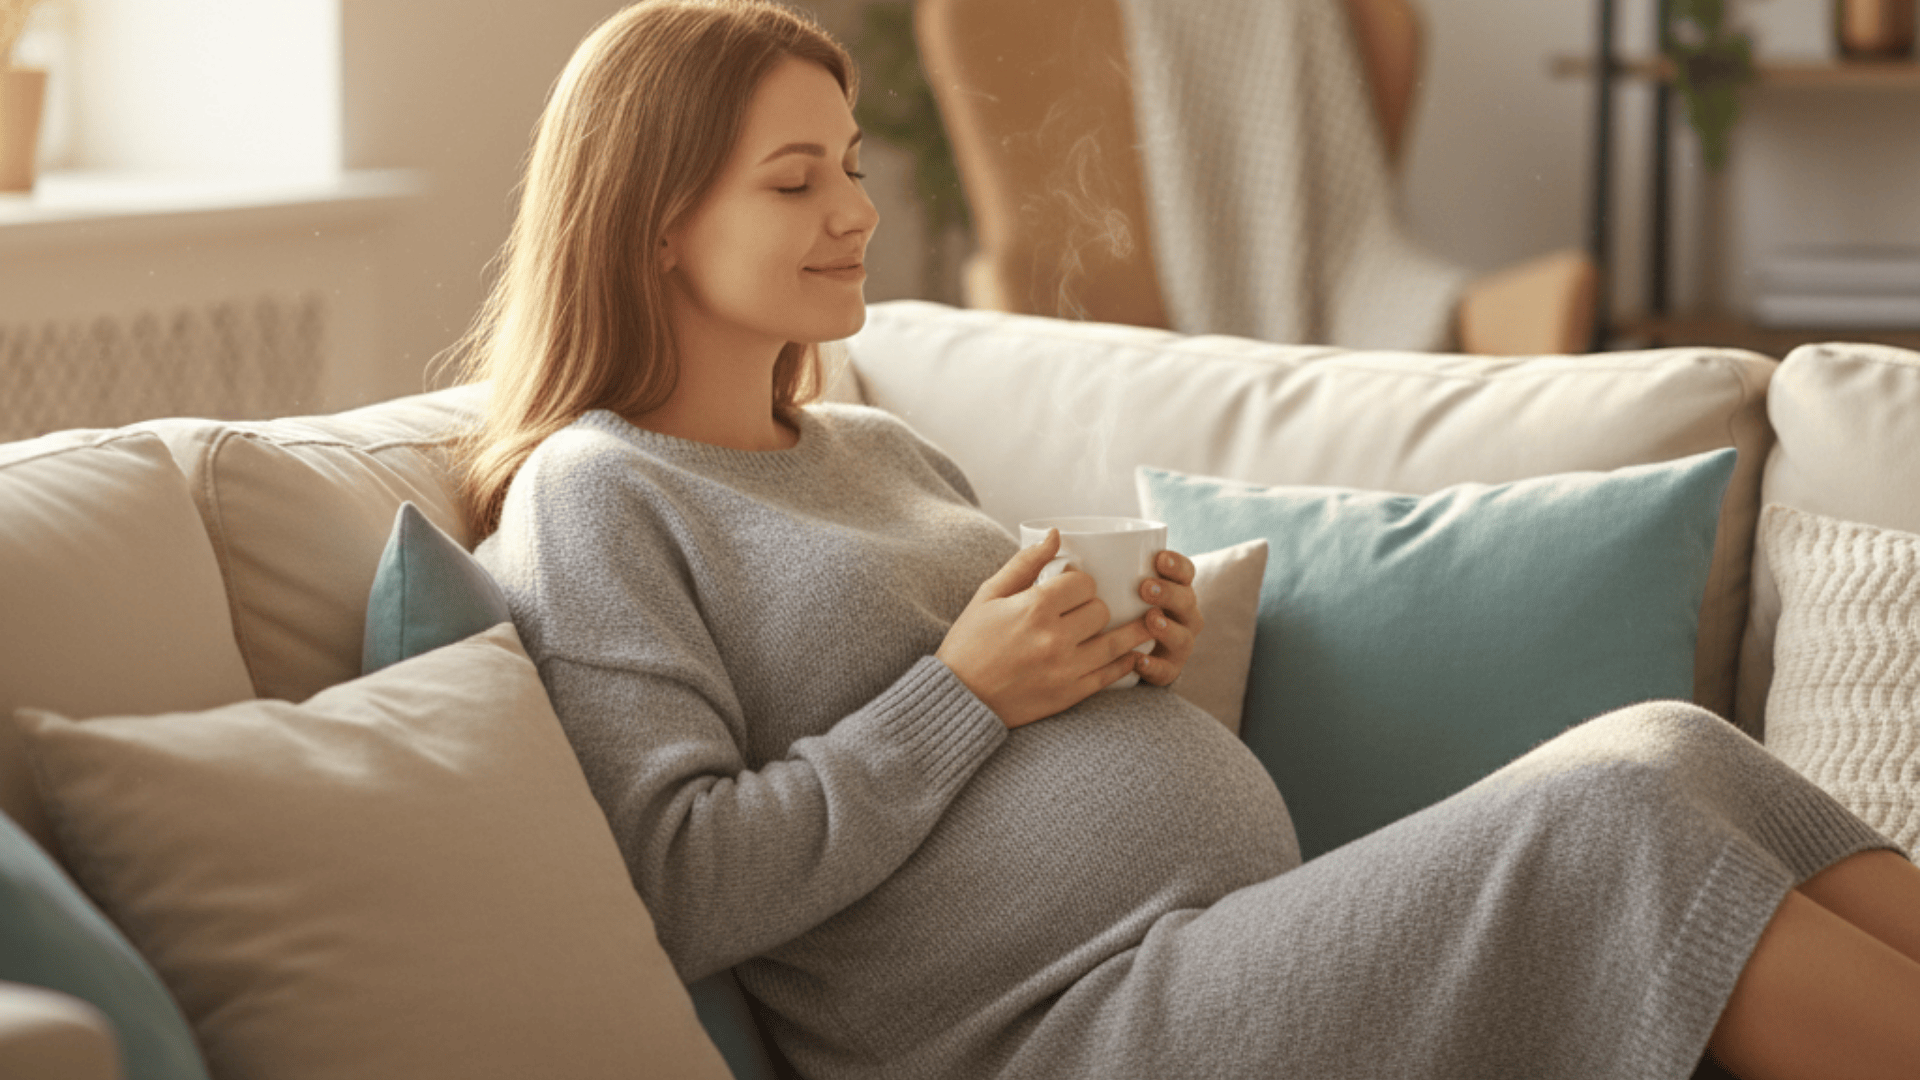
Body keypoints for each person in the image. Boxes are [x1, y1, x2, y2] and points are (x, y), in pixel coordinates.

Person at [454, 2, 1920, 1077]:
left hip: (1216, 945)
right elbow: (675, 883)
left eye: (847, 164)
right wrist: (968, 692)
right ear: (651, 219)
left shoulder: (875, 443)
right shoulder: (598, 498)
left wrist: (1121, 652)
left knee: (1671, 746)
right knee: (1615, 829)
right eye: (796, 181)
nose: (856, 210)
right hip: (1052, 1034)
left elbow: (1003, 720)